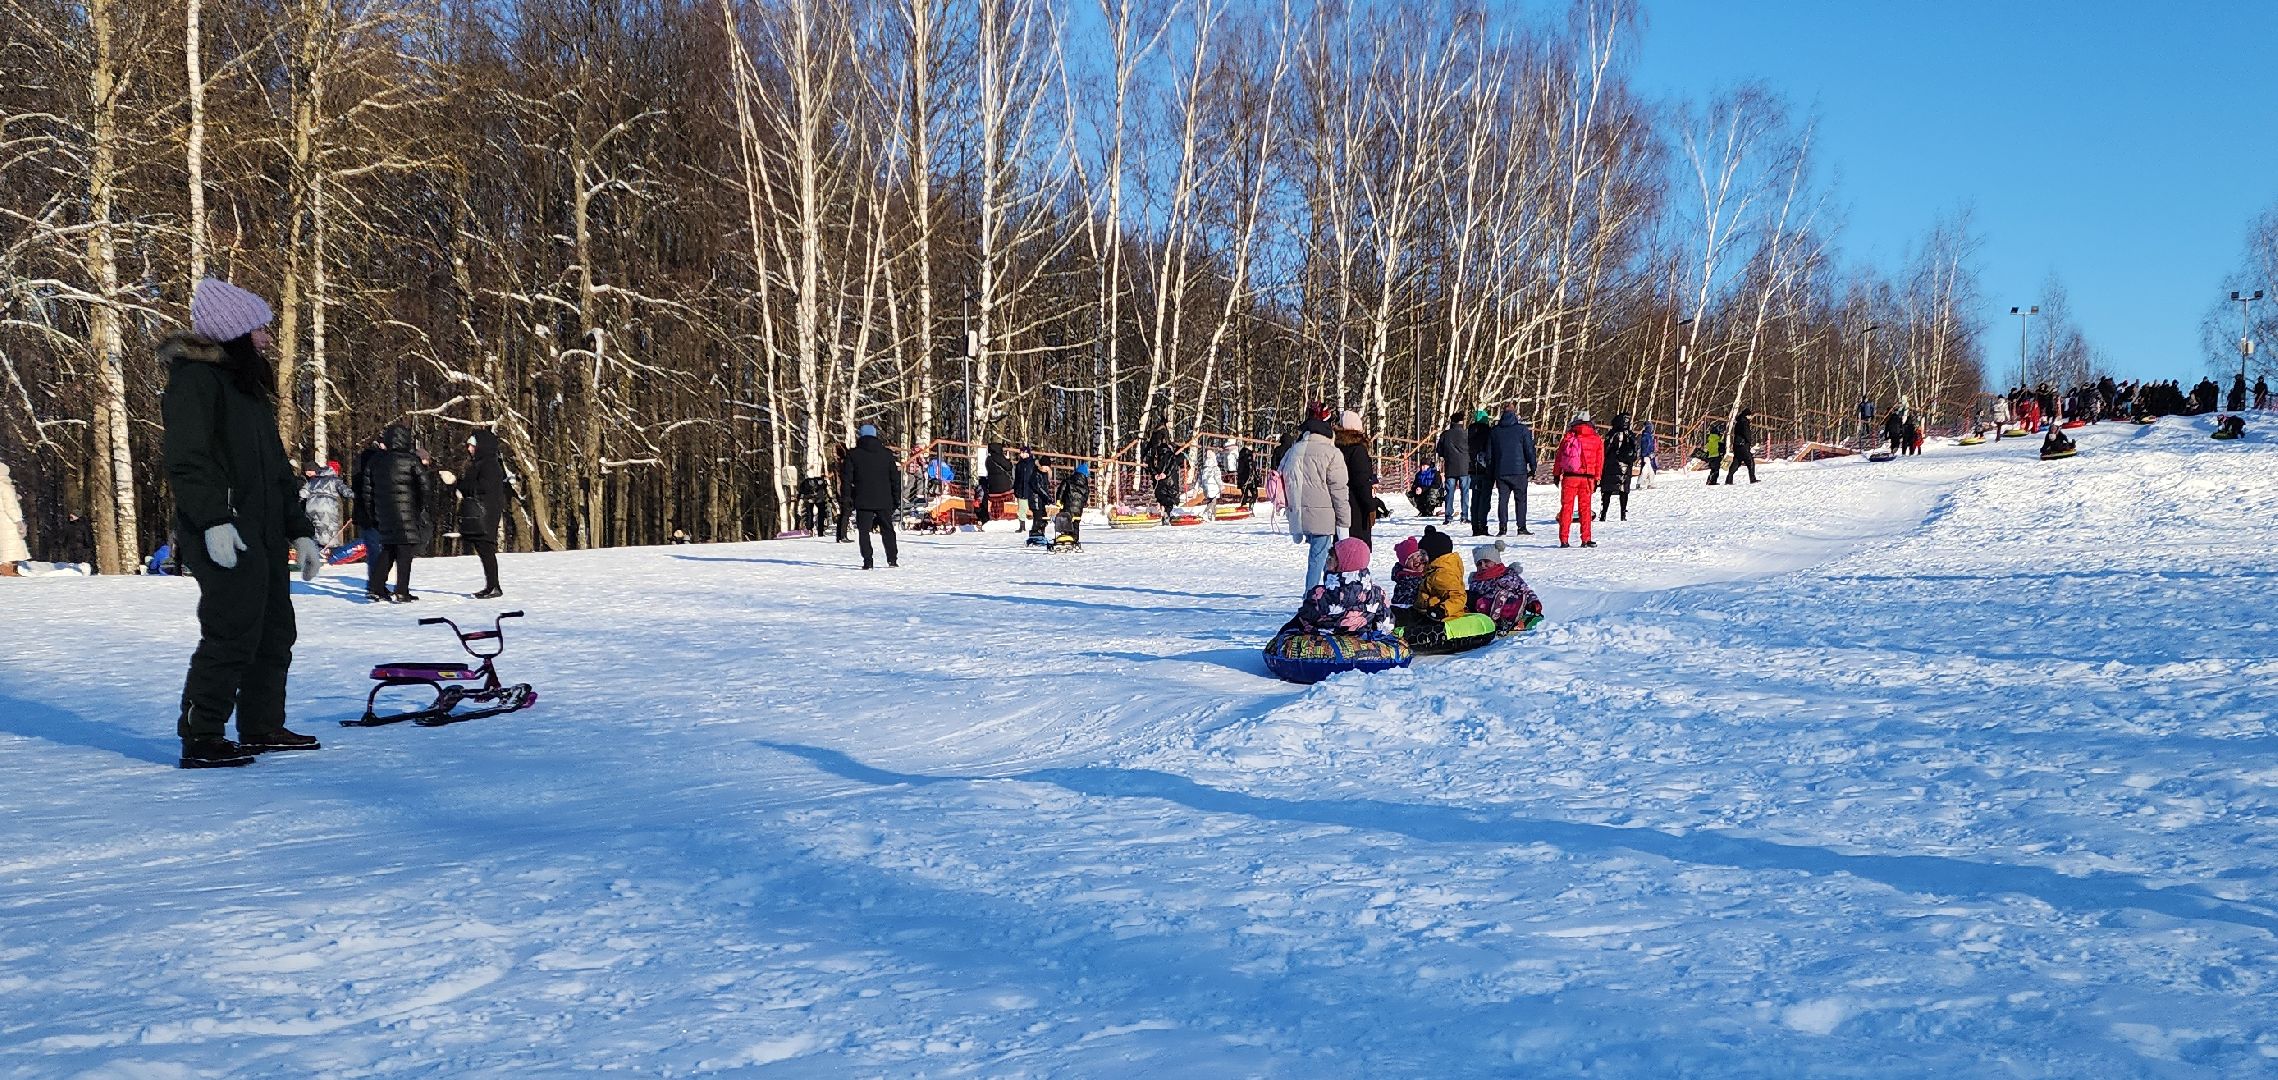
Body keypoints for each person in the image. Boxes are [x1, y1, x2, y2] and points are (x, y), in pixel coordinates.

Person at [160, 278, 326, 767]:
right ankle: (202, 734)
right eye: (259, 330)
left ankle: (262, 726)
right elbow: (187, 461)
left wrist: (299, 529)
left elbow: (276, 468)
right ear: (232, 331)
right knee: (231, 631)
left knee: (275, 632)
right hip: (225, 532)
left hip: (266, 532)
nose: (267, 339)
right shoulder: (194, 380)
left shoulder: (244, 385)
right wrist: (213, 520)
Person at [358, 423, 432, 601]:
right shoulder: (411, 460)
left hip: (384, 513)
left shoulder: (375, 461)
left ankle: (376, 587)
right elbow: (425, 486)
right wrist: (419, 508)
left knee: (389, 549)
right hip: (407, 512)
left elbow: (367, 491)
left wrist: (372, 513)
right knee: (405, 551)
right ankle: (401, 590)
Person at [1278, 411, 1350, 591]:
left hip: (1299, 514)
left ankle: (1321, 594)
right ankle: (1312, 598)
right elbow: (1339, 490)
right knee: (1319, 558)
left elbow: (1283, 479)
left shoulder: (1293, 451)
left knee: (1320, 557)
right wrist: (1344, 523)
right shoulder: (1332, 453)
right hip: (1323, 516)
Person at [1292, 538, 1391, 636]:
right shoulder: (1377, 593)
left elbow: (1303, 622)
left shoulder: (1320, 594)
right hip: (1363, 647)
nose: (1327, 561)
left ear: (1345, 563)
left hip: (1324, 647)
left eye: (1331, 558)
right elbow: (1385, 625)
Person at [456, 429, 509, 599]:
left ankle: (494, 586)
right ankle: (491, 586)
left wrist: (458, 484)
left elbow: (483, 487)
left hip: (485, 514)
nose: (469, 449)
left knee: (486, 549)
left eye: (472, 446)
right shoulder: (483, 463)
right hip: (483, 512)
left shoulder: (489, 465)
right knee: (484, 549)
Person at [1397, 526, 1467, 643]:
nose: (1422, 558)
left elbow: (1458, 597)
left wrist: (1442, 610)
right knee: (1397, 613)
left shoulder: (1443, 574)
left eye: (1424, 553)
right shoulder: (1435, 569)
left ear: (1435, 553)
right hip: (1423, 610)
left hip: (1437, 616)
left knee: (1400, 619)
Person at [845, 423, 901, 569]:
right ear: (876, 435)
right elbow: (895, 479)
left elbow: (846, 480)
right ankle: (892, 559)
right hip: (884, 498)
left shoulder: (853, 455)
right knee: (887, 529)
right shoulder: (887, 454)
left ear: (860, 436)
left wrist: (847, 499)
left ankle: (868, 561)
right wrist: (896, 499)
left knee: (864, 531)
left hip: (862, 499)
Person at [1467, 541, 1542, 633]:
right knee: (1466, 595)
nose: (1483, 566)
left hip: (1509, 608)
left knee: (1502, 594)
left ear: (1496, 562)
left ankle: (1501, 623)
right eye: (1479, 563)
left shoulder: (1507, 576)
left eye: (1487, 561)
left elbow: (1525, 590)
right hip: (1485, 609)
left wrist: (1533, 602)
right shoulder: (1476, 580)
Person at [1554, 411, 1603, 548]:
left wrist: (1557, 474)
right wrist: (1597, 477)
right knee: (1585, 509)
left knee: (1566, 508)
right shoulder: (1596, 439)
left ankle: (1564, 539)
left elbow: (1559, 457)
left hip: (1570, 477)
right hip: (1587, 478)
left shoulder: (1569, 437)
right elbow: (1600, 460)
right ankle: (1586, 539)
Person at [1486, 406, 1536, 537]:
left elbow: (1489, 454)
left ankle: (1502, 528)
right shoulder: (1522, 430)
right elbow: (1529, 450)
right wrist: (1533, 466)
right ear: (1515, 414)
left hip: (1501, 471)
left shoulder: (1495, 431)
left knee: (1503, 500)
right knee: (1521, 499)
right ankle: (1521, 526)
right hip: (1519, 471)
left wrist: (1491, 471)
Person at [1333, 411, 1375, 547]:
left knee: (1337, 550)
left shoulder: (1333, 447)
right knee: (1356, 549)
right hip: (1355, 506)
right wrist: (1370, 506)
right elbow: (1361, 481)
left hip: (1336, 504)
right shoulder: (1357, 450)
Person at [1433, 411, 1471, 526]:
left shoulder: (1445, 434)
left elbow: (1439, 450)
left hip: (1450, 467)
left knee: (1449, 493)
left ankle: (1448, 516)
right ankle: (1464, 516)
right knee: (1465, 492)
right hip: (1464, 467)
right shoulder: (1466, 434)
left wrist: (1447, 456)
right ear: (1461, 421)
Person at [299, 463, 349, 550]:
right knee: (328, 529)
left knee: (317, 530)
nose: (307, 474)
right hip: (327, 508)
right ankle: (327, 549)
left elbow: (303, 493)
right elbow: (345, 491)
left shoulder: (313, 480)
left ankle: (317, 549)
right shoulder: (333, 480)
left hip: (311, 508)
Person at [1598, 413, 1637, 521]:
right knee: (1623, 491)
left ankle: (1604, 513)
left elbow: (1606, 449)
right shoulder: (1630, 434)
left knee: (1607, 491)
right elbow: (1635, 450)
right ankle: (1623, 514)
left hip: (1611, 465)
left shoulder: (1612, 434)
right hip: (1625, 466)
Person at [1465, 408, 1494, 536]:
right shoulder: (1489, 433)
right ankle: (1483, 525)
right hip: (1486, 470)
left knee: (1475, 499)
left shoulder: (1469, 433)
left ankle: (1475, 526)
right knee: (1485, 499)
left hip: (1472, 470)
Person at [1144, 428, 1181, 521]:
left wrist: (1155, 474)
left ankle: (1164, 513)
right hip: (1169, 480)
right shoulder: (1170, 453)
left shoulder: (1153, 453)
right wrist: (1165, 474)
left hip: (1160, 480)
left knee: (1162, 497)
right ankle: (1166, 513)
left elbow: (1150, 464)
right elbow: (1173, 464)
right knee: (1169, 498)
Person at [0, 459, 29, 568]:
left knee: (4, 545)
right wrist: (18, 520)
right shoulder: (5, 487)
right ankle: (7, 568)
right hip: (8, 521)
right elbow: (10, 506)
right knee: (10, 545)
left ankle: (8, 567)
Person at [1054, 461, 1091, 545]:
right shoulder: (1086, 486)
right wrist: (1082, 504)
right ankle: (1075, 539)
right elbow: (1085, 498)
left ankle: (1065, 536)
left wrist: (1059, 500)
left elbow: (1061, 491)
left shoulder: (1068, 480)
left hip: (1067, 506)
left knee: (1066, 521)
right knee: (1075, 523)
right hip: (1078, 510)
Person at [1722, 408, 1759, 484]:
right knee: (1750, 461)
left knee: (1737, 461)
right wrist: (1749, 442)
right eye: (1750, 415)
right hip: (1743, 445)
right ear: (1747, 415)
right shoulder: (1744, 422)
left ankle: (1729, 479)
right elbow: (1746, 434)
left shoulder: (1738, 422)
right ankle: (1752, 479)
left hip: (1737, 445)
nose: (1751, 417)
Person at [796, 470, 833, 537]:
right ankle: (820, 531)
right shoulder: (820, 481)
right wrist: (829, 497)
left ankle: (810, 529)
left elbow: (801, 491)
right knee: (821, 514)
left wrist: (799, 498)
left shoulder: (805, 482)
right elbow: (826, 488)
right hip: (820, 499)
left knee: (809, 513)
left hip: (809, 499)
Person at [1199, 446, 1225, 518]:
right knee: (1213, 501)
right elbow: (1217, 478)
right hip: (1213, 486)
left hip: (1206, 486)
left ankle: (1212, 515)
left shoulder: (1203, 468)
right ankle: (1207, 512)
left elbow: (1199, 478)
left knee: (1210, 500)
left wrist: (1199, 486)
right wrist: (1221, 485)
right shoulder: (1215, 468)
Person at [1636, 421, 1659, 488]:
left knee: (1650, 470)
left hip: (1649, 455)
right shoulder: (1646, 436)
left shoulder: (1648, 435)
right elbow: (1645, 446)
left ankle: (1649, 483)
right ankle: (1641, 484)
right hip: (1646, 455)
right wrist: (1646, 454)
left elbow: (1649, 446)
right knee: (1645, 470)